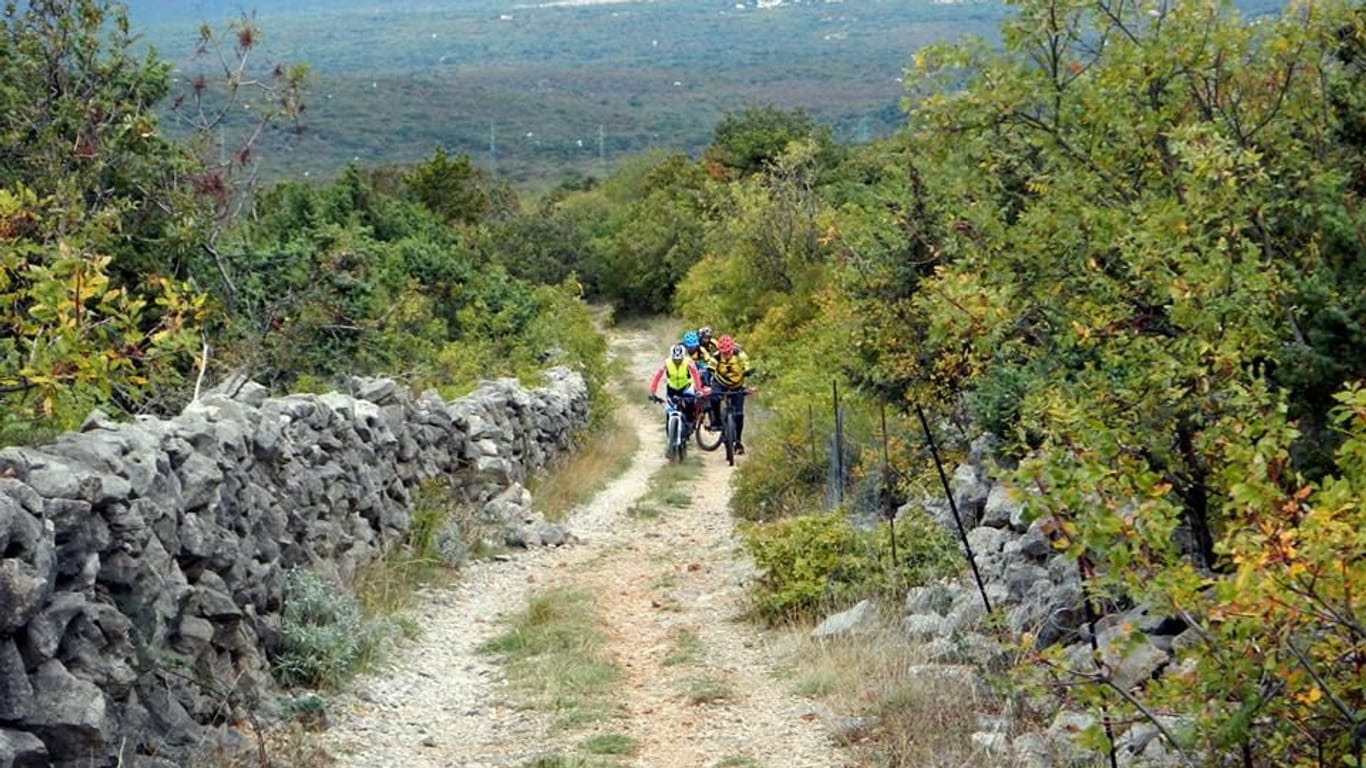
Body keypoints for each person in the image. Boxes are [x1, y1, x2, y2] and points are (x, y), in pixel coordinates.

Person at [708, 334, 752, 454]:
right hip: (720, 382)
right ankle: (716, 421)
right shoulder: (716, 356)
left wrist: (747, 371)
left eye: (728, 351)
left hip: (737, 385)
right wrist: (709, 376)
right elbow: (710, 367)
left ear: (732, 349)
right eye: (723, 352)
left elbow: (746, 365)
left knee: (739, 415)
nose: (726, 354)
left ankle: (738, 441)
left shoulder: (740, 355)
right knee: (714, 398)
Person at [647, 343, 706, 432]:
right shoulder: (666, 363)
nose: (677, 362)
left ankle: (690, 425)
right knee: (669, 410)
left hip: (686, 387)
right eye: (675, 360)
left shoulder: (688, 362)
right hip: (672, 388)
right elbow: (657, 376)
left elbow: (696, 375)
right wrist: (653, 392)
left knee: (689, 406)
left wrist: (698, 390)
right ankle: (669, 432)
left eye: (680, 360)